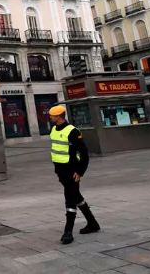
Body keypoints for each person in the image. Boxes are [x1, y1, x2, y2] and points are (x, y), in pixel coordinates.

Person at [48, 104, 100, 245]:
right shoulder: (53, 129)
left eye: (52, 115)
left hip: (72, 171)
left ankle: (68, 231)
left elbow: (84, 154)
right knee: (76, 196)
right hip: (60, 170)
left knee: (70, 198)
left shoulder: (73, 131)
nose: (50, 117)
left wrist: (80, 172)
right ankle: (92, 223)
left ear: (59, 116)